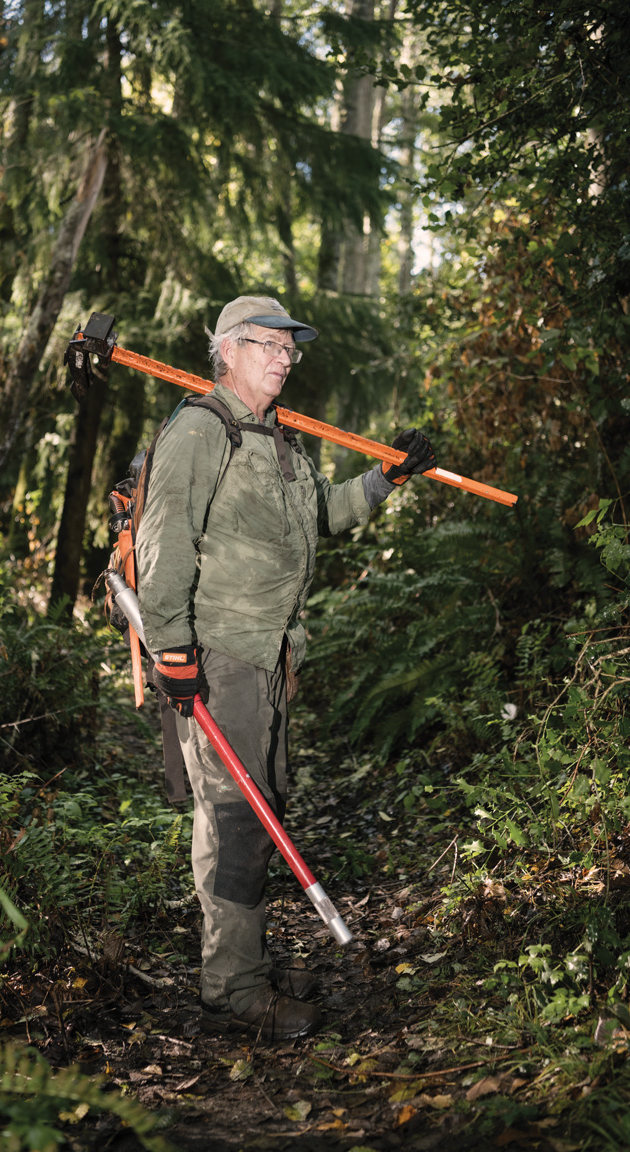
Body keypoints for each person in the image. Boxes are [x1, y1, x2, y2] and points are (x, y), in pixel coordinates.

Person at [134, 296, 435, 1041]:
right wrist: (171, 648)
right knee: (237, 817)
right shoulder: (200, 432)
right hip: (222, 652)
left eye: (289, 348)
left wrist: (386, 480)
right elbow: (163, 539)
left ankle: (244, 962)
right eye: (267, 345)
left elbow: (321, 518)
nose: (284, 358)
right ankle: (231, 985)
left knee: (258, 804)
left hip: (272, 655)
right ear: (226, 351)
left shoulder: (278, 439)